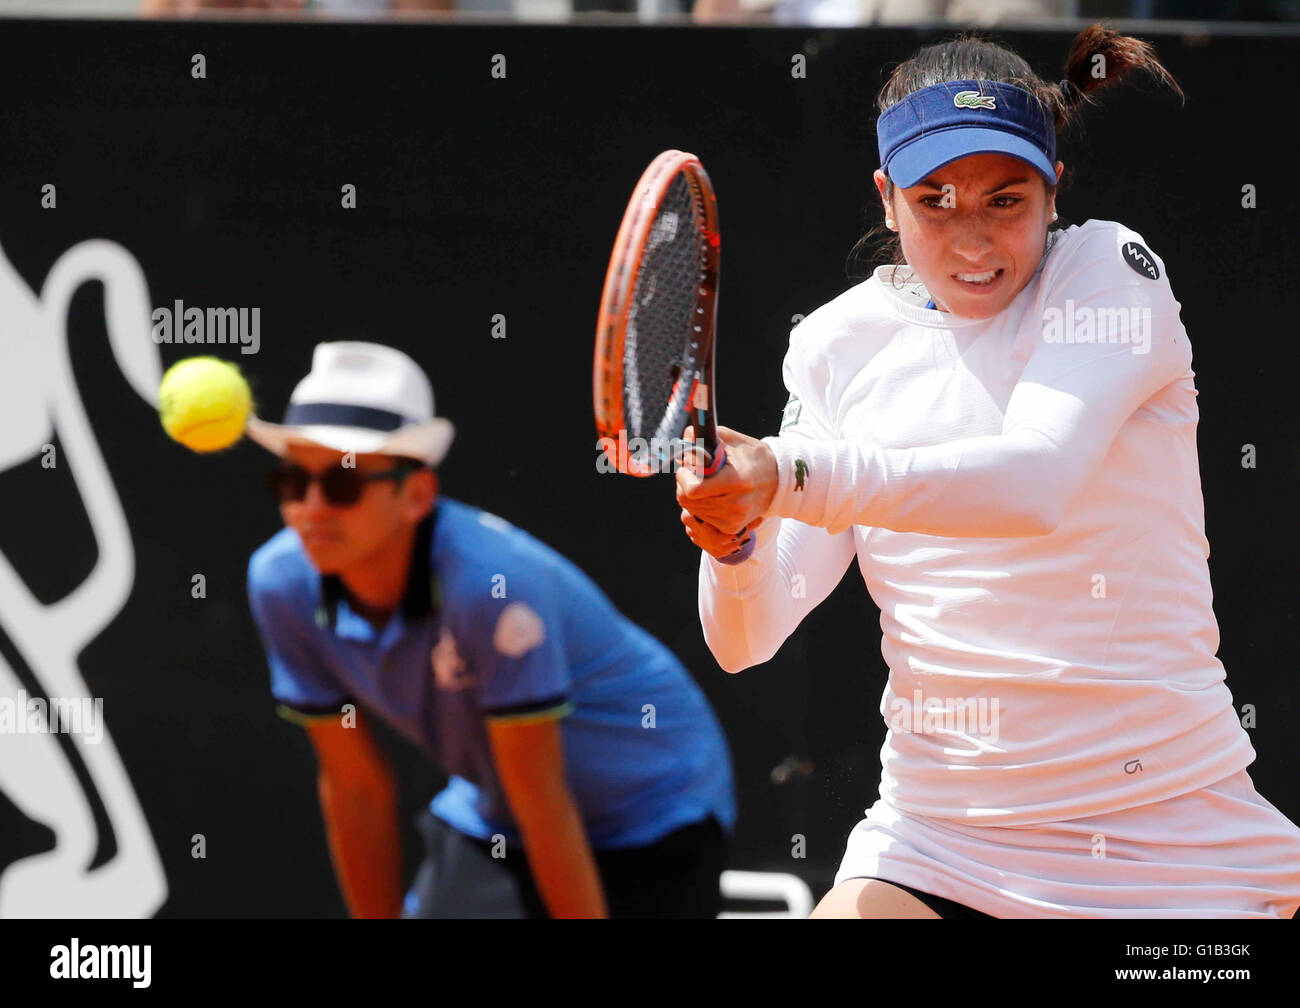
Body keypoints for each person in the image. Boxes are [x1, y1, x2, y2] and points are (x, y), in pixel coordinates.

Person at [675, 24, 1300, 918]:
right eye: (935, 200)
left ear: (1055, 192)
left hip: (1172, 847)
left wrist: (784, 472)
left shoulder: (1110, 277)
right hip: (937, 840)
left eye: (1005, 200)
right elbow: (747, 640)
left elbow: (1032, 480)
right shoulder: (834, 346)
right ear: (887, 199)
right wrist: (733, 544)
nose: (972, 240)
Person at [246, 342, 735, 918]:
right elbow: (356, 789)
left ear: (417, 494)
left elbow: (542, 799)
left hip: (654, 810)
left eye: (343, 485)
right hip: (499, 816)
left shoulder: (493, 589)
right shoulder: (280, 582)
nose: (311, 508)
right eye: (292, 483)